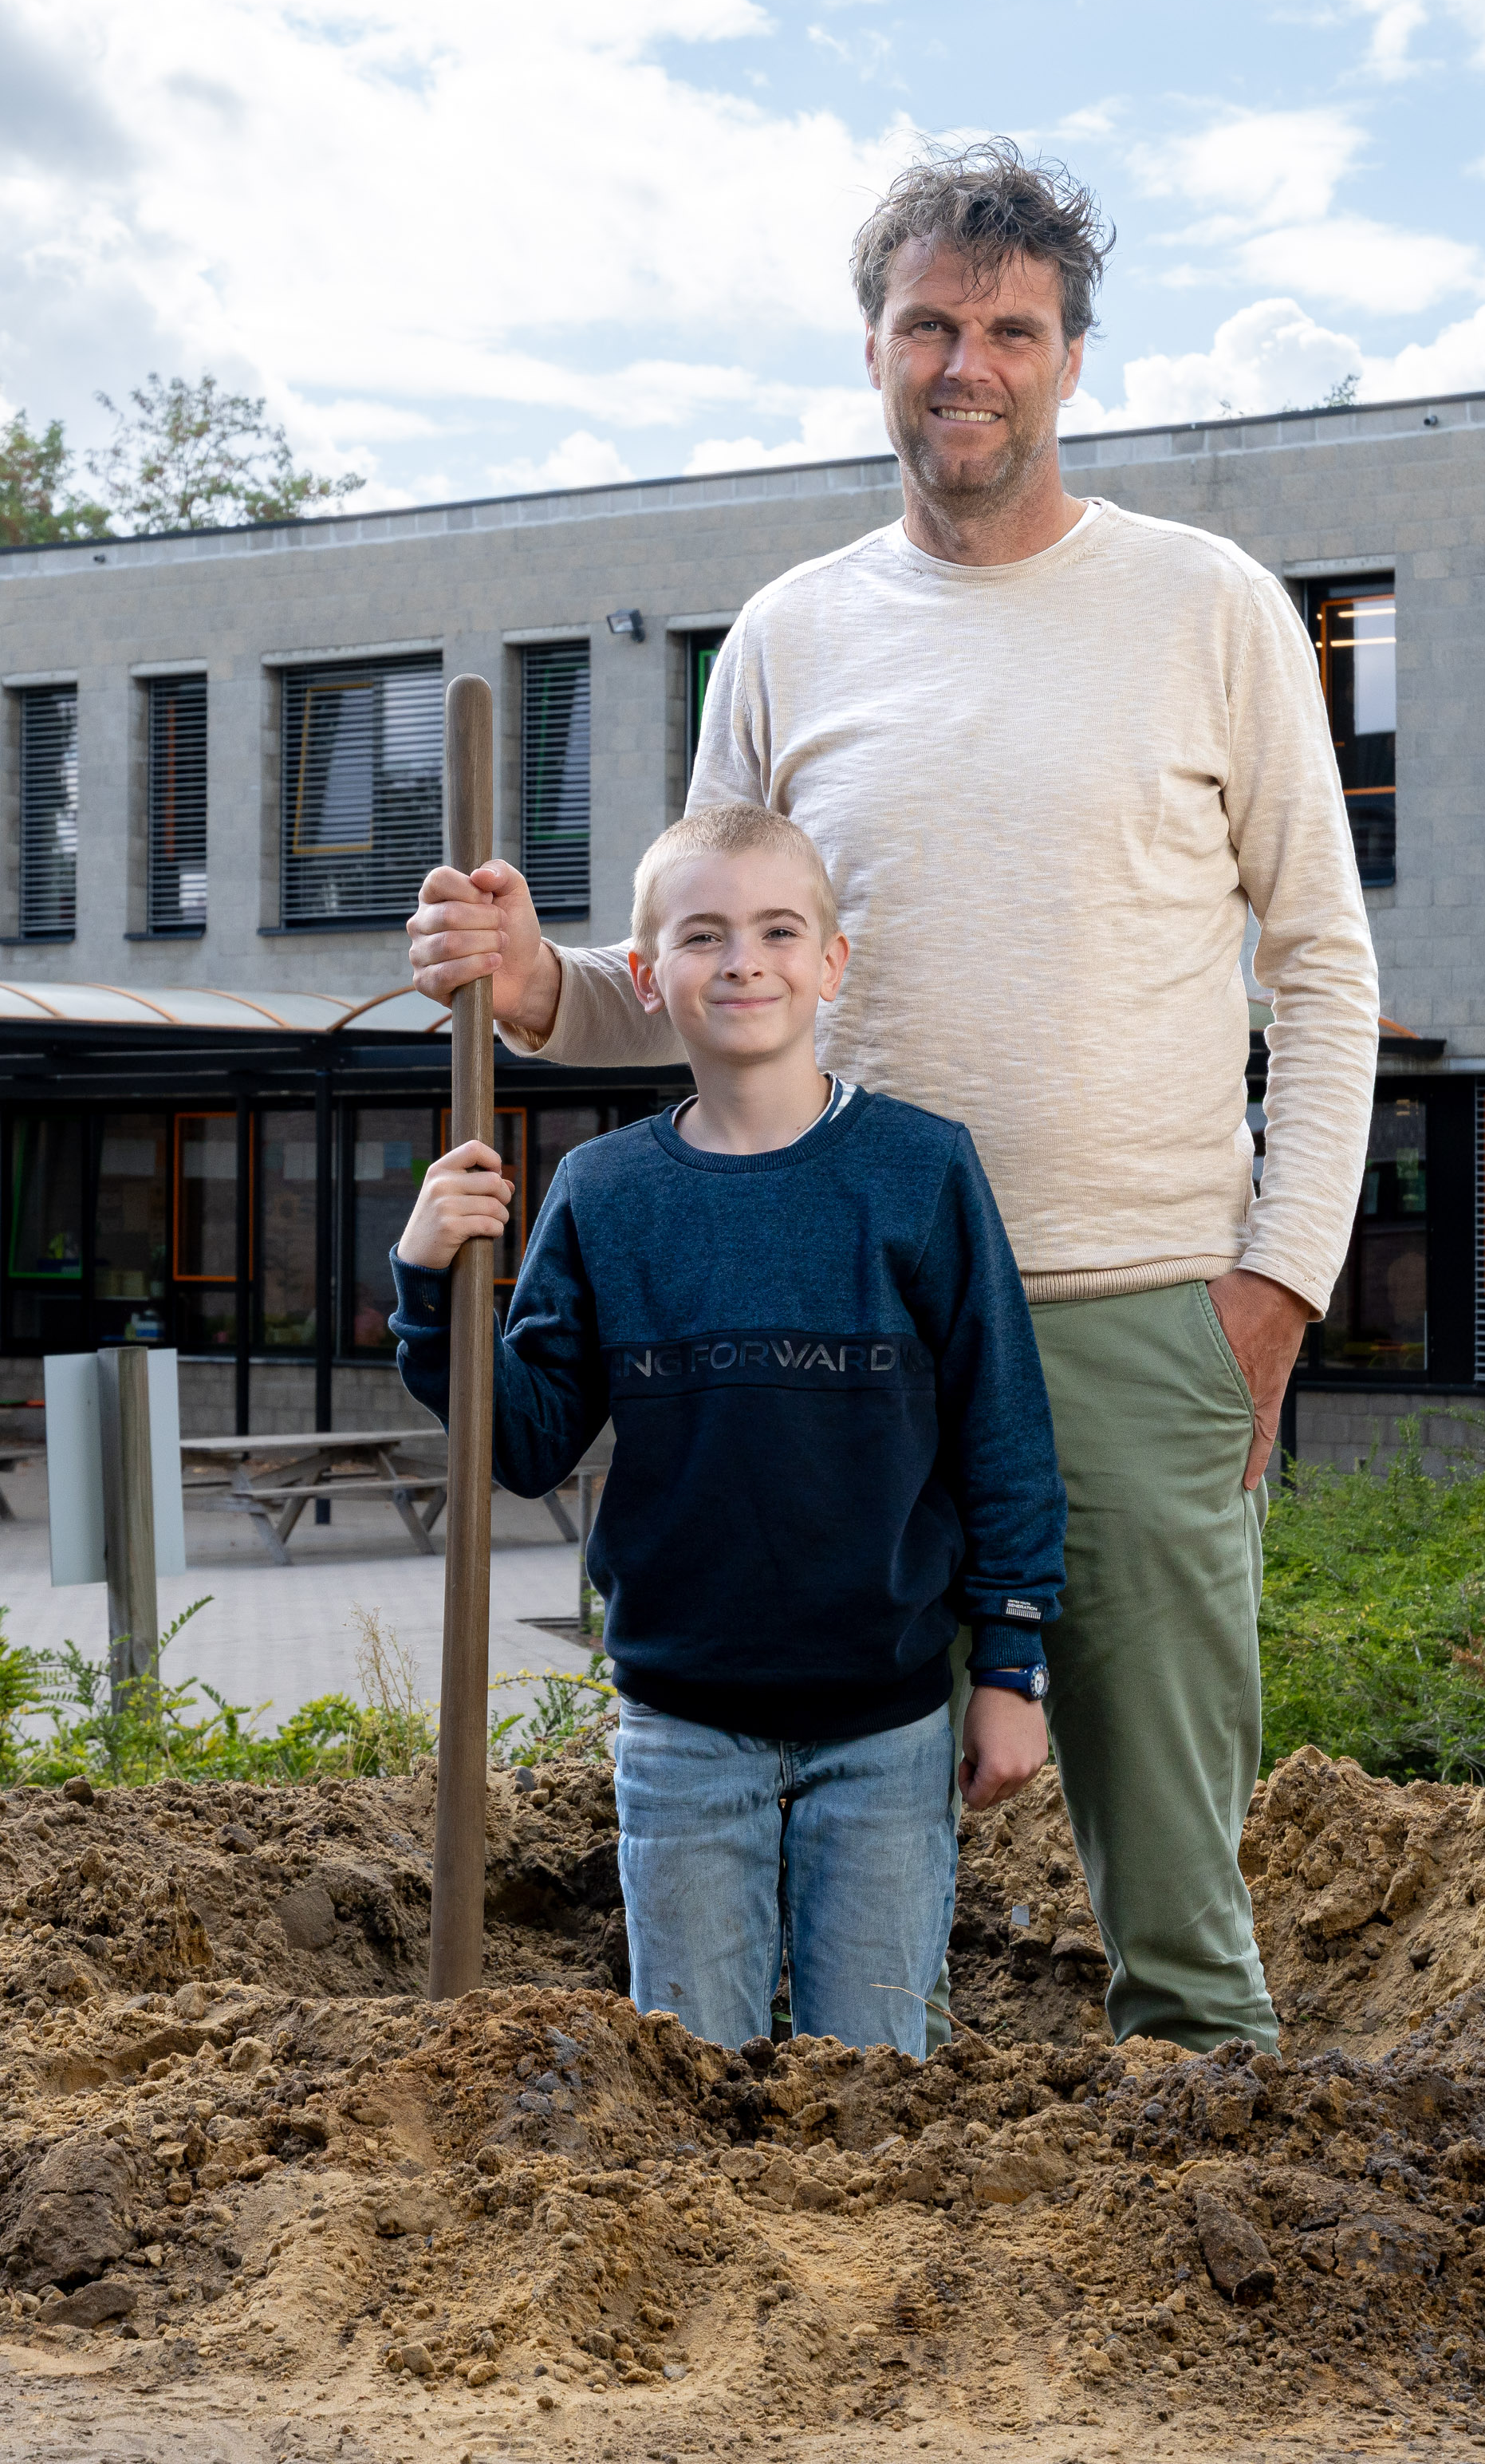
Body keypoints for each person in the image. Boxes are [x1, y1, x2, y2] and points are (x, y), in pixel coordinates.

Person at [405, 139, 1377, 2052]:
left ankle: (1211, 2217)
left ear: (1070, 359)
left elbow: (1326, 969)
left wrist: (1277, 1289)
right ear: (874, 348)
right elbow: (704, 975)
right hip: (830, 1324)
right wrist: (534, 987)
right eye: (929, 322)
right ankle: (826, 2216)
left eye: (1010, 327)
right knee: (829, 1805)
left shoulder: (1211, 608)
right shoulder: (787, 634)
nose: (968, 363)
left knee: (1174, 1887)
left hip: (1127, 1305)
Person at [388, 800, 1065, 2058]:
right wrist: (434, 1289)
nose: (743, 961)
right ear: (647, 978)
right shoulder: (607, 1194)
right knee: (690, 2070)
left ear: (830, 963)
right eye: (703, 936)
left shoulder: (920, 1173)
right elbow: (526, 1441)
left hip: (888, 1720)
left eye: (775, 931)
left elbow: (1003, 1430)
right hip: (682, 1727)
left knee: (874, 2075)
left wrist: (1014, 1670)